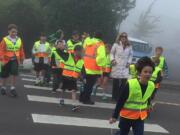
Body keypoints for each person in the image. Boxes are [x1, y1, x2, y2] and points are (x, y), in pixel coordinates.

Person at [109, 56, 155, 135]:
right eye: (145, 72)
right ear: (140, 72)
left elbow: (147, 96)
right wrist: (114, 116)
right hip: (126, 117)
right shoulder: (131, 84)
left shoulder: (151, 85)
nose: (148, 74)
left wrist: (149, 104)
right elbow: (121, 101)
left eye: (150, 72)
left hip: (140, 118)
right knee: (123, 133)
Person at [80, 31, 106, 105]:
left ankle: (82, 98)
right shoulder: (100, 44)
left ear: (94, 36)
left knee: (85, 84)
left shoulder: (88, 41)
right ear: (101, 37)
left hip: (85, 65)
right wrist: (101, 65)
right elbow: (101, 57)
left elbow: (83, 50)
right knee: (89, 85)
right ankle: (86, 99)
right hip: (93, 68)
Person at [57, 45, 84, 111]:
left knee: (74, 90)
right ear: (76, 51)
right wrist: (60, 47)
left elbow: (79, 70)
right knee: (63, 89)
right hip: (66, 76)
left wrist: (82, 78)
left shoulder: (81, 60)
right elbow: (59, 53)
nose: (83, 53)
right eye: (81, 51)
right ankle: (61, 99)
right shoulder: (68, 55)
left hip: (73, 78)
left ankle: (74, 105)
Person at [0, 24, 25, 97]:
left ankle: (12, 88)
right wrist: (1, 59)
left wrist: (22, 57)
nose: (14, 33)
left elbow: (21, 50)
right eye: (12, 32)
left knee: (14, 73)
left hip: (15, 60)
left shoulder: (19, 39)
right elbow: (1, 50)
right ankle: (3, 87)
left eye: (15, 32)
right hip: (6, 60)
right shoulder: (5, 40)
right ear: (9, 32)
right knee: (4, 74)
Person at [110, 32, 133, 101]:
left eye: (125, 37)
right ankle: (114, 97)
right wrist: (112, 60)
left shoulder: (129, 46)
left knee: (124, 82)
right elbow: (111, 53)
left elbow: (131, 55)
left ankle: (120, 96)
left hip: (125, 66)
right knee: (115, 82)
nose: (124, 38)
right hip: (116, 64)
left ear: (126, 38)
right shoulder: (116, 45)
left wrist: (129, 62)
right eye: (122, 37)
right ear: (120, 37)